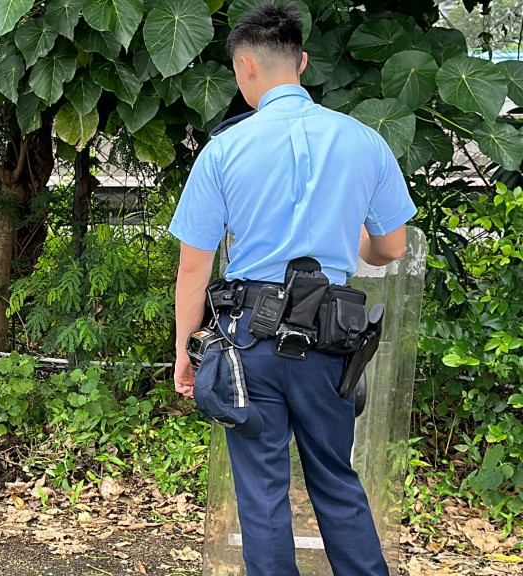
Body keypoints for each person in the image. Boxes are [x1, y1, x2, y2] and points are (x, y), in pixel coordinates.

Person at [169, 2, 417, 576]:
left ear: (244, 68)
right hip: (331, 339)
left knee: (261, 493)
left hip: (248, 343)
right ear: (302, 63)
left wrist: (185, 349)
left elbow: (192, 269)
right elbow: (392, 248)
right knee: (335, 478)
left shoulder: (224, 150)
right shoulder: (363, 141)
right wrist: (351, 237)